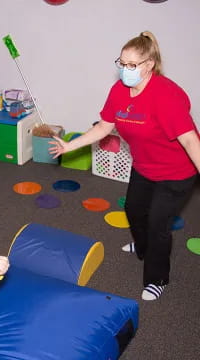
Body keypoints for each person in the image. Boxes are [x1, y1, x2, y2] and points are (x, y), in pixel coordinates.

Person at [49, 31, 200, 301]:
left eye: (132, 65)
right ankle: (143, 247)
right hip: (144, 165)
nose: (125, 70)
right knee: (133, 209)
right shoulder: (119, 91)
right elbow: (105, 127)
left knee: (158, 223)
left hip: (176, 173)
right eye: (121, 63)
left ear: (149, 65)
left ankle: (157, 278)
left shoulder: (167, 95)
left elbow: (190, 140)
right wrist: (69, 146)